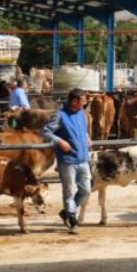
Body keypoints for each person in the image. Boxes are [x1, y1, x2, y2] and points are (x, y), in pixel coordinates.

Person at [41, 88, 91, 233]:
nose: (85, 102)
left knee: (86, 190)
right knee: (69, 191)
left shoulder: (82, 113)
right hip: (68, 160)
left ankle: (67, 212)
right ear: (74, 101)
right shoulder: (60, 115)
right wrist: (60, 141)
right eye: (83, 100)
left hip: (83, 158)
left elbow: (82, 130)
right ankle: (72, 220)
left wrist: (86, 136)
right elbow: (45, 132)